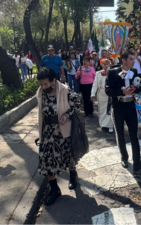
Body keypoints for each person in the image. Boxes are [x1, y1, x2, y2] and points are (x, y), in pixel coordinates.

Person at [36, 68, 80, 205]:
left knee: (68, 157)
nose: (43, 87)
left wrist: (67, 115)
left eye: (45, 84)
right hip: (48, 132)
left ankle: (73, 174)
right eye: (41, 84)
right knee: (47, 161)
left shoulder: (65, 90)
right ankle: (55, 189)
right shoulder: (41, 93)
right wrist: (40, 133)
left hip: (63, 131)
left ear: (53, 81)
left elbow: (77, 105)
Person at [105, 51, 141, 175]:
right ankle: (124, 157)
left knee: (134, 135)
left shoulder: (133, 72)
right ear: (123, 60)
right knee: (120, 134)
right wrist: (123, 92)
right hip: (118, 106)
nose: (134, 61)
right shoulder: (112, 72)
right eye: (131, 59)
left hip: (130, 106)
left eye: (134, 59)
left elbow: (138, 87)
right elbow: (108, 90)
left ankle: (137, 167)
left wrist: (135, 89)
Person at [91, 59, 114, 132]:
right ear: (101, 65)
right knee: (102, 109)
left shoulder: (112, 72)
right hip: (101, 94)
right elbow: (95, 84)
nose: (106, 65)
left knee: (109, 109)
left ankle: (110, 126)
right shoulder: (98, 73)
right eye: (104, 64)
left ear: (109, 65)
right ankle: (103, 124)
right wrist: (92, 94)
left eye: (107, 64)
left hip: (109, 94)